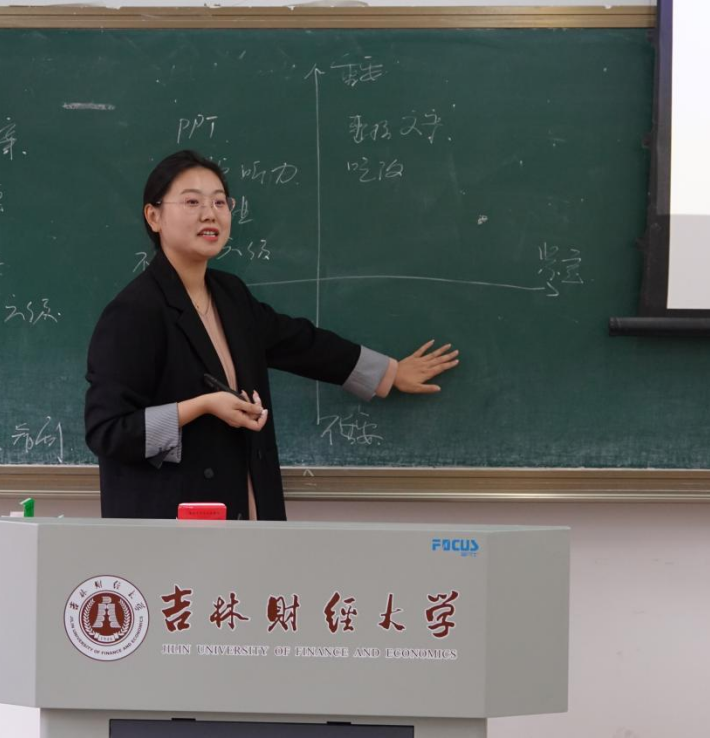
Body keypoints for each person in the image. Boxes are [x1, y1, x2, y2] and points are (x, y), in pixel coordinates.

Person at [85, 150, 458, 520]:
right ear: (154, 216)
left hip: (248, 507)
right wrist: (201, 406)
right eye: (192, 202)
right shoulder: (135, 312)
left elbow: (300, 343)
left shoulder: (229, 294)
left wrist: (389, 373)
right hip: (175, 523)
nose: (210, 214)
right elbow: (107, 432)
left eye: (219, 202)